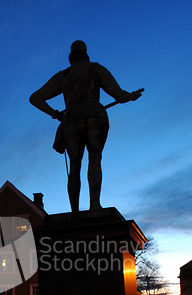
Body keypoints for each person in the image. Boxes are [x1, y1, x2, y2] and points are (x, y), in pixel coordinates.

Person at [29, 40, 143, 212]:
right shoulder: (95, 69)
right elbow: (119, 95)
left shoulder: (63, 76)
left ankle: (74, 211)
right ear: (86, 55)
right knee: (95, 159)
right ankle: (94, 205)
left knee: (75, 165)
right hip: (94, 117)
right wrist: (132, 95)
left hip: (71, 121)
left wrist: (56, 114)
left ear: (71, 58)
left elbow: (35, 98)